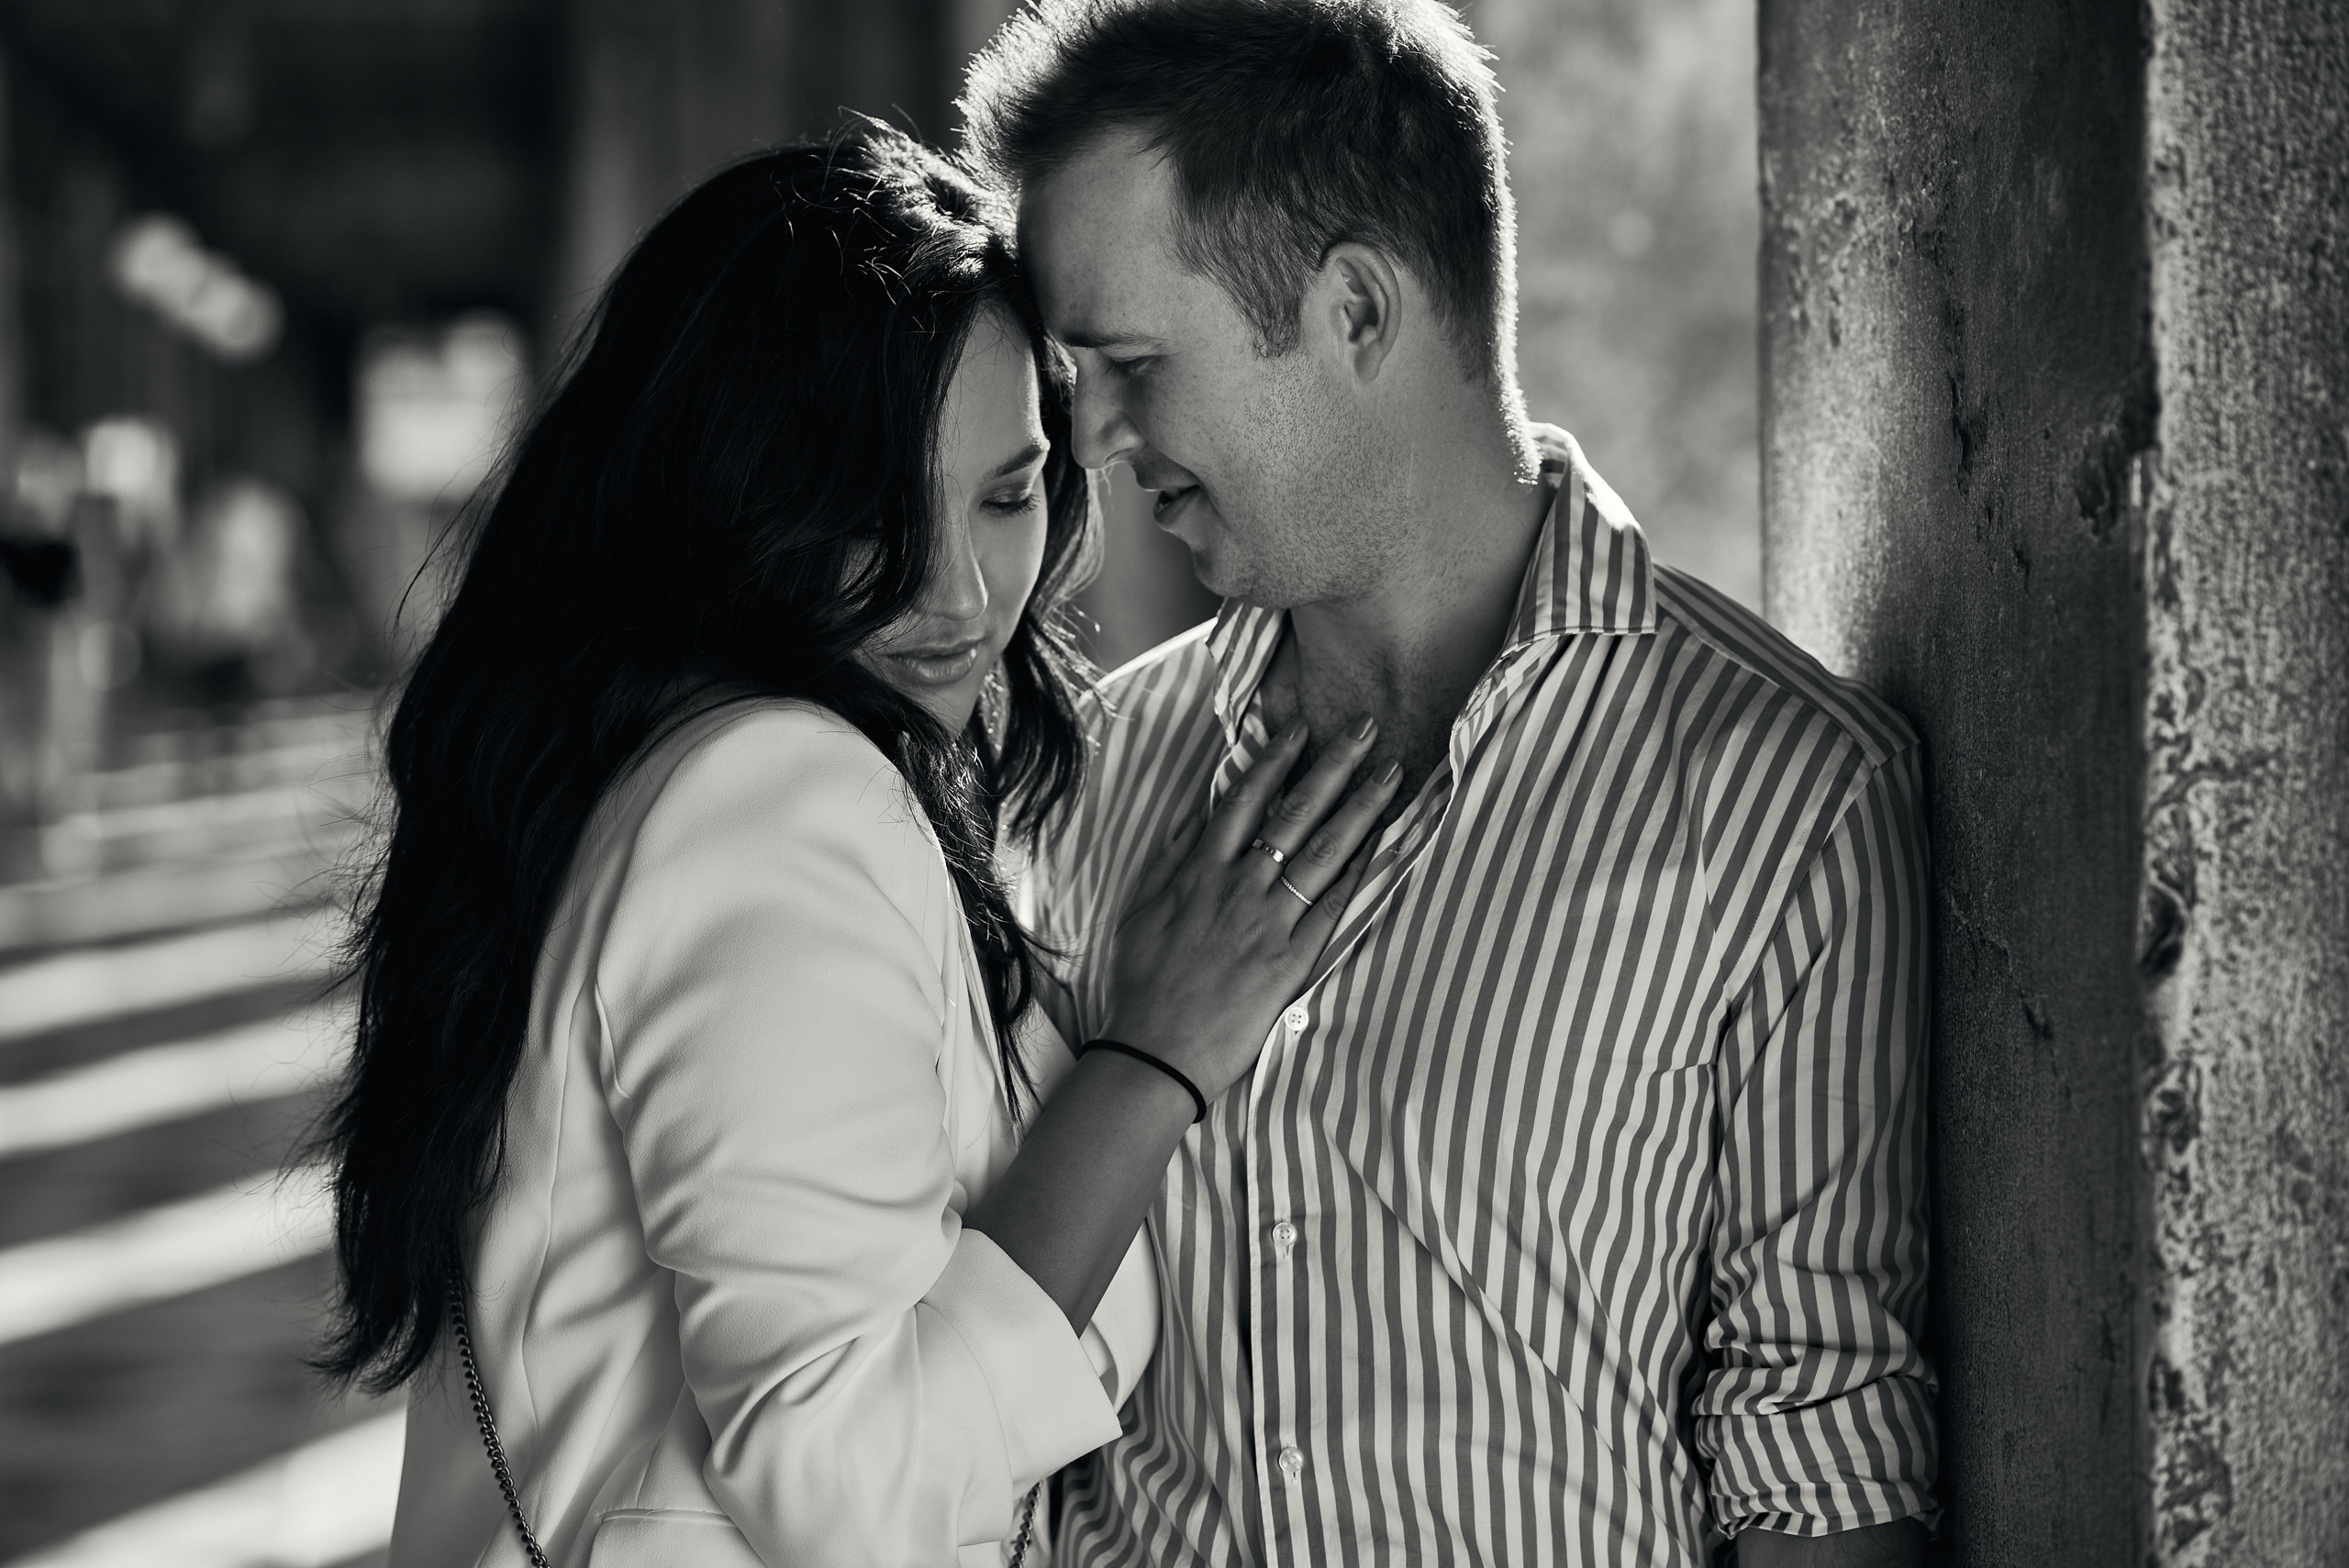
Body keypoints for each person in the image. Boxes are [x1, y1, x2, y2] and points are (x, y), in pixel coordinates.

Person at [316, 124, 1399, 1568]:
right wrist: (1155, 1065)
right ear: (733, 494)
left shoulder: (651, 768)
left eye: (1009, 495)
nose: (961, 593)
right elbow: (848, 1491)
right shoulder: (774, 796)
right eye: (874, 513)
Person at [961, 3, 1939, 1564]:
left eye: (1132, 361)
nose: (1093, 439)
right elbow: (981, 1418)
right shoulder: (1084, 788)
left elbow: (1819, 1450)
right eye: (1076, 376)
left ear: (1354, 310)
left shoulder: (1782, 802)